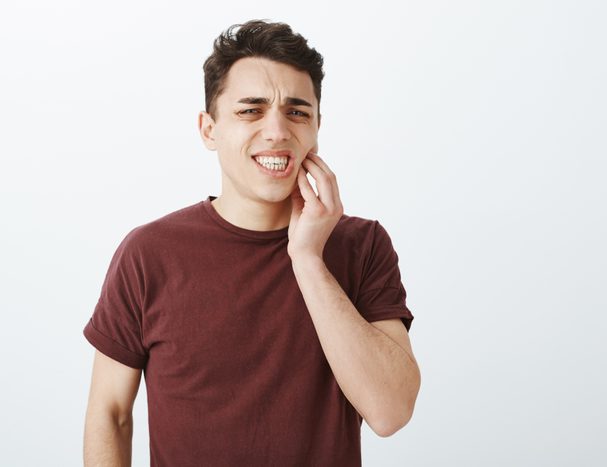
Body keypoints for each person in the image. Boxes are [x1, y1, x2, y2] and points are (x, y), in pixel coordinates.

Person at [82, 19, 420, 466]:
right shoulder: (148, 253)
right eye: (251, 110)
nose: (278, 131)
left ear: (317, 127)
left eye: (297, 112)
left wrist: (308, 260)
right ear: (208, 129)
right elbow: (111, 414)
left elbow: (390, 412)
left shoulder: (363, 245)